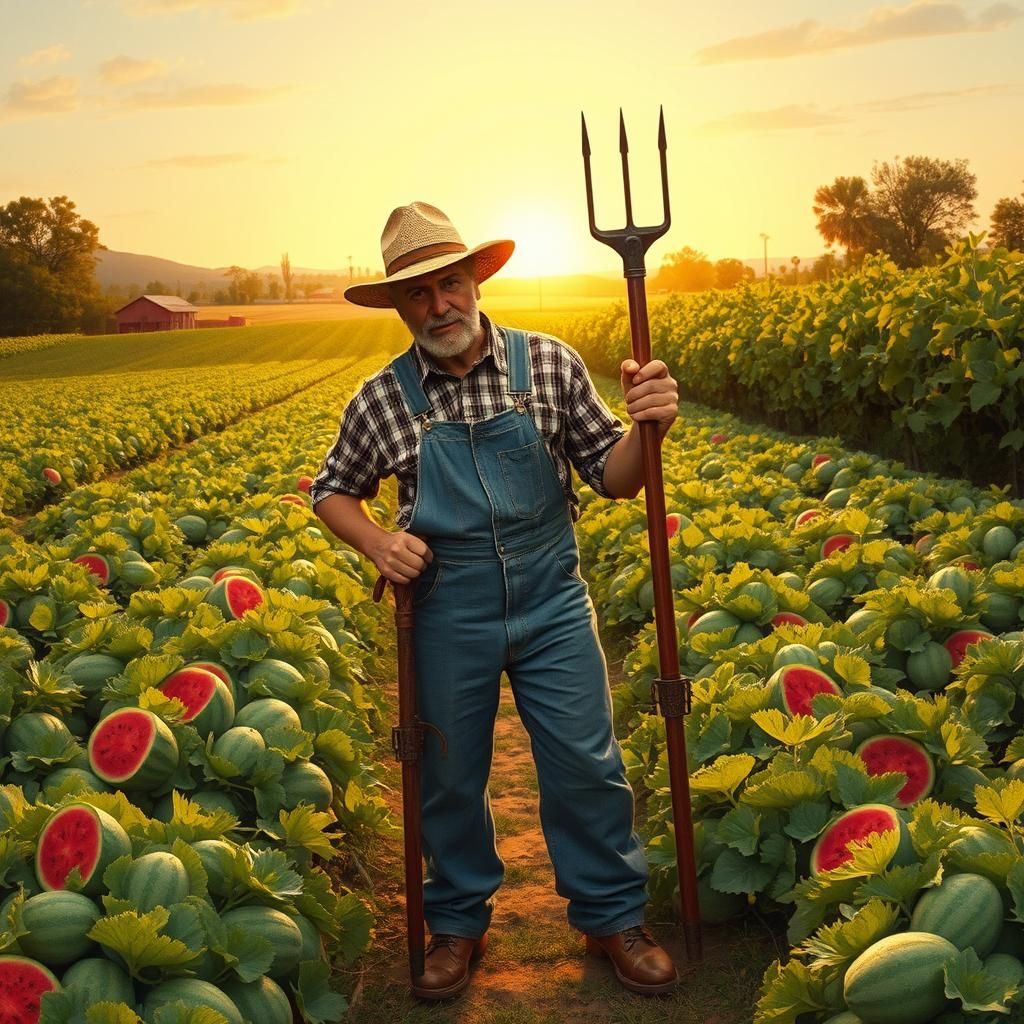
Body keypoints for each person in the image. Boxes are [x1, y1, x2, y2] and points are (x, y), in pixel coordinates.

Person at [310, 201, 680, 1000]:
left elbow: (610, 477)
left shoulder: (548, 365)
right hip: (448, 610)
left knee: (586, 761)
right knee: (448, 773)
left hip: (551, 601)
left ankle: (612, 914)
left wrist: (646, 430)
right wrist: (376, 540)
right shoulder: (381, 399)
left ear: (476, 279)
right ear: (401, 307)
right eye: (418, 294)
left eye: (450, 283)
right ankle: (456, 924)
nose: (438, 305)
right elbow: (332, 490)